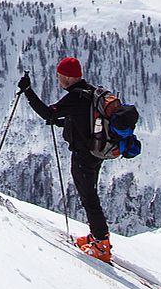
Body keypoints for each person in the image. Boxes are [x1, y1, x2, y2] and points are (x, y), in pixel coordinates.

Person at [18, 57, 113, 263]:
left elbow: (46, 112)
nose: (58, 79)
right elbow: (83, 119)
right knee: (90, 194)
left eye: (59, 76)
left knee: (89, 198)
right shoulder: (89, 91)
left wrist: (28, 91)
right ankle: (97, 236)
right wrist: (62, 123)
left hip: (83, 155)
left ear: (67, 77)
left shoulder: (74, 97)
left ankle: (101, 245)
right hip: (95, 153)